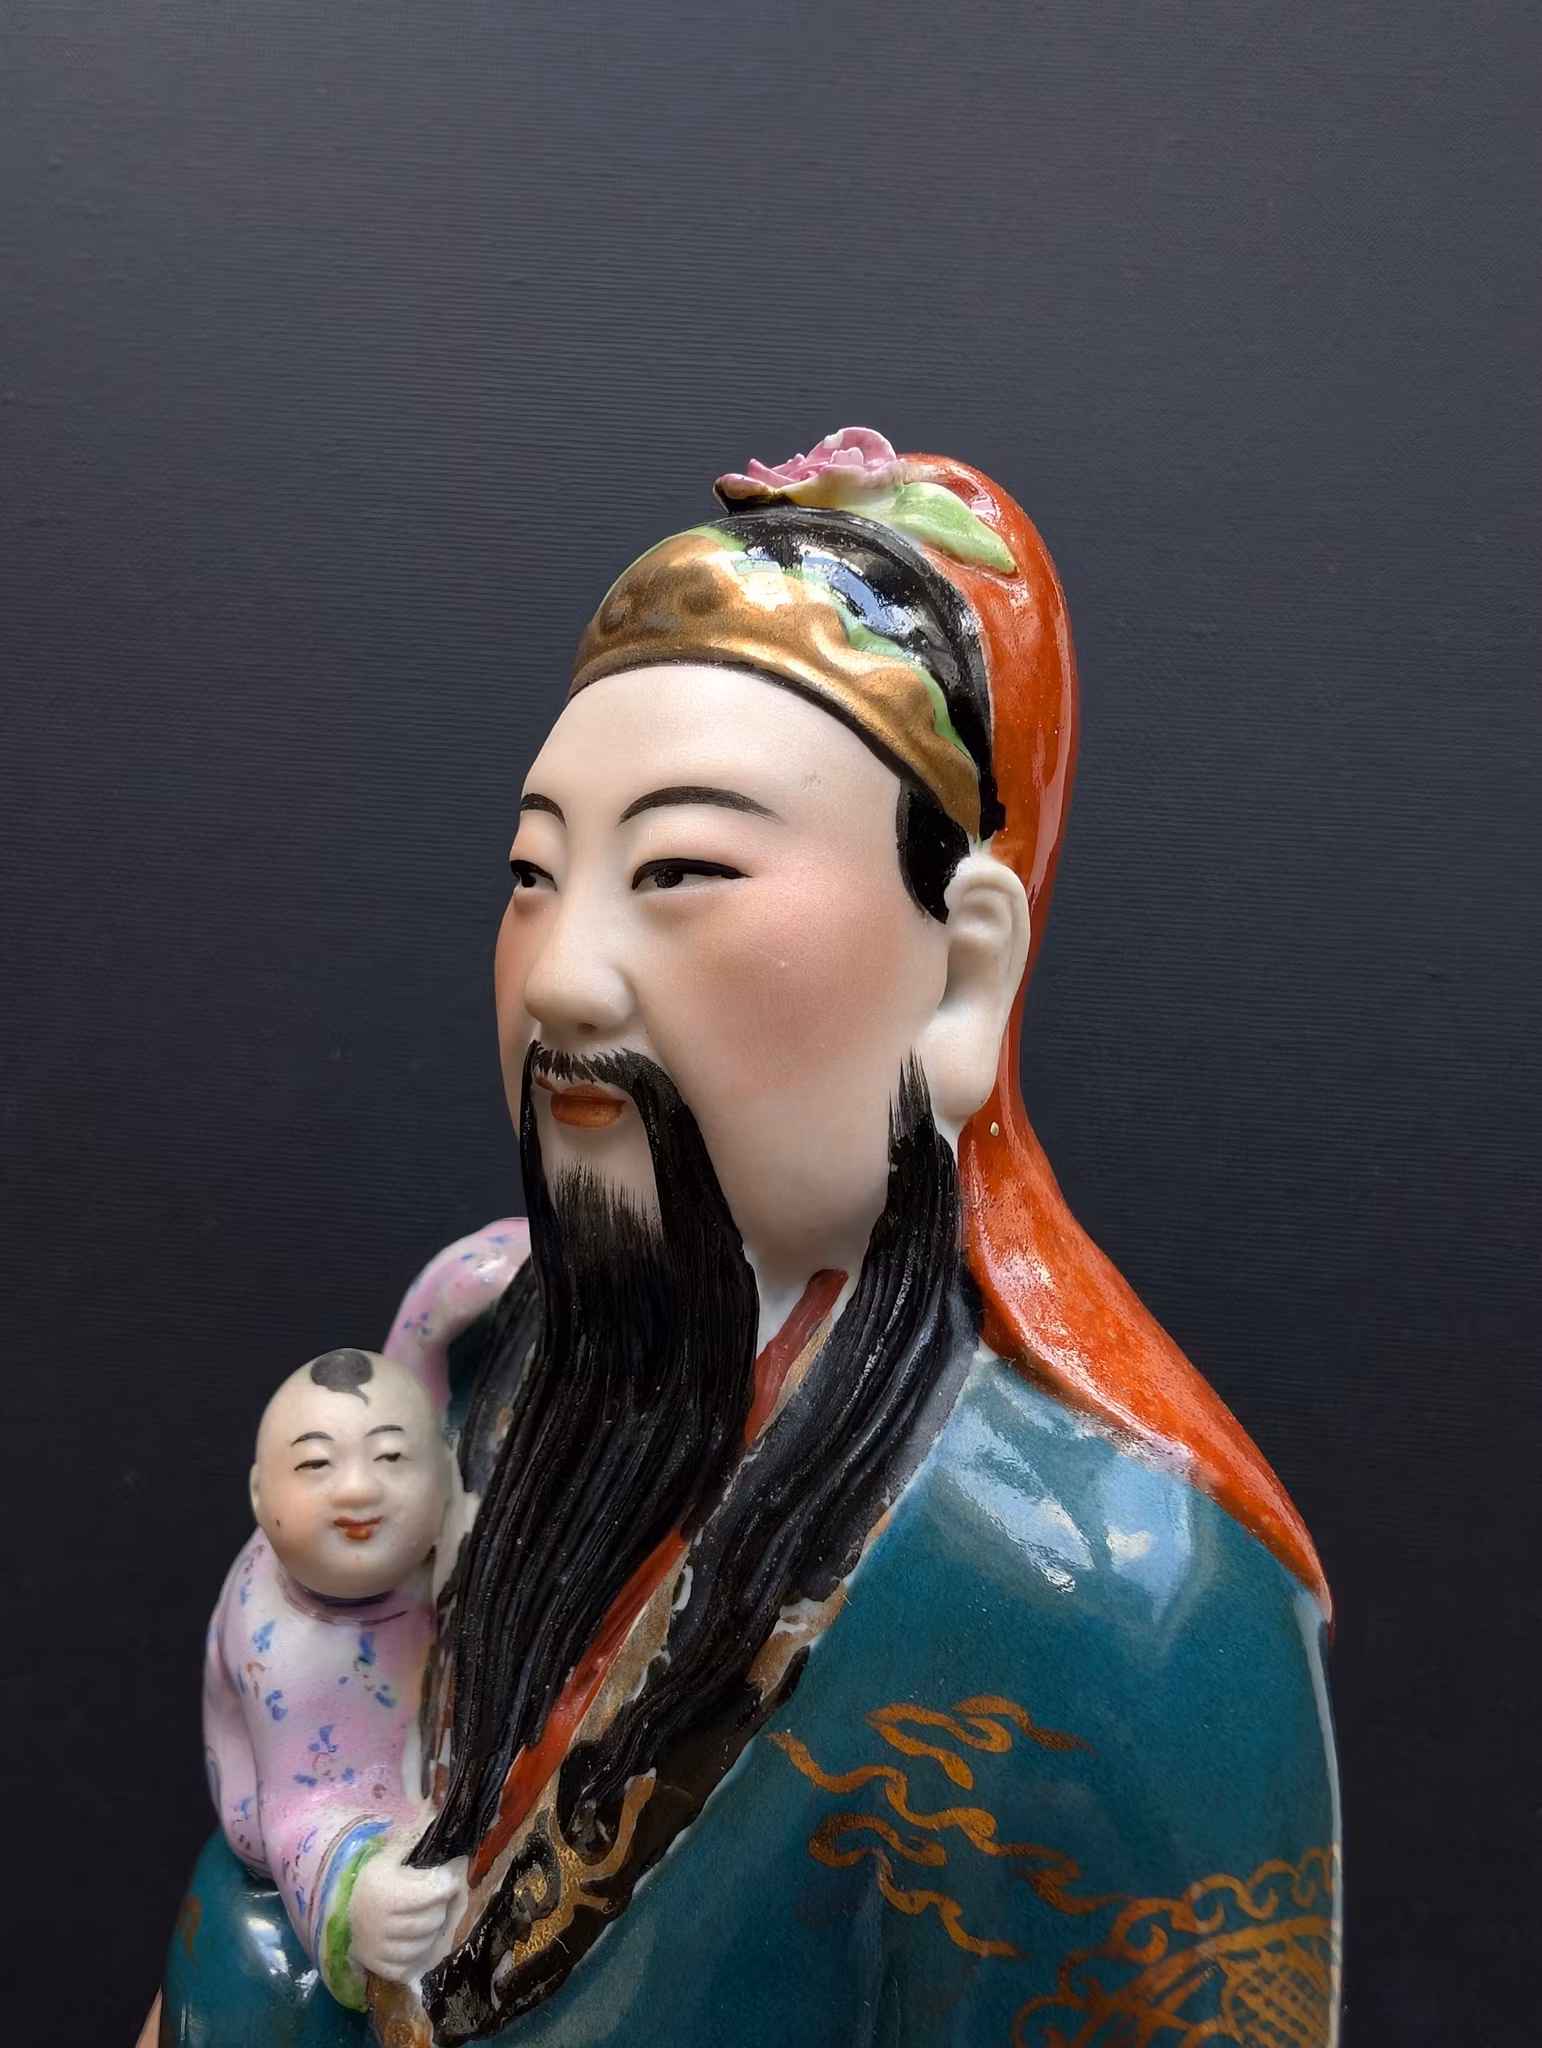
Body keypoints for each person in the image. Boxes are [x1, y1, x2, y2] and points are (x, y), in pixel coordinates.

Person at [158, 431, 1340, 2048]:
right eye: (532, 873)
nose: (560, 975)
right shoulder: (493, 1352)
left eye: (680, 870)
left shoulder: (1118, 1606)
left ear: (962, 973)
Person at [200, 1349, 463, 2018]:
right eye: (316, 1464)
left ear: (444, 1468)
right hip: (310, 1805)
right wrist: (357, 1900)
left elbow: (417, 1360)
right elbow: (297, 1811)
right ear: (260, 1495)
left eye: (390, 1457)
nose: (357, 1491)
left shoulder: (434, 1533)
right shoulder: (280, 1648)